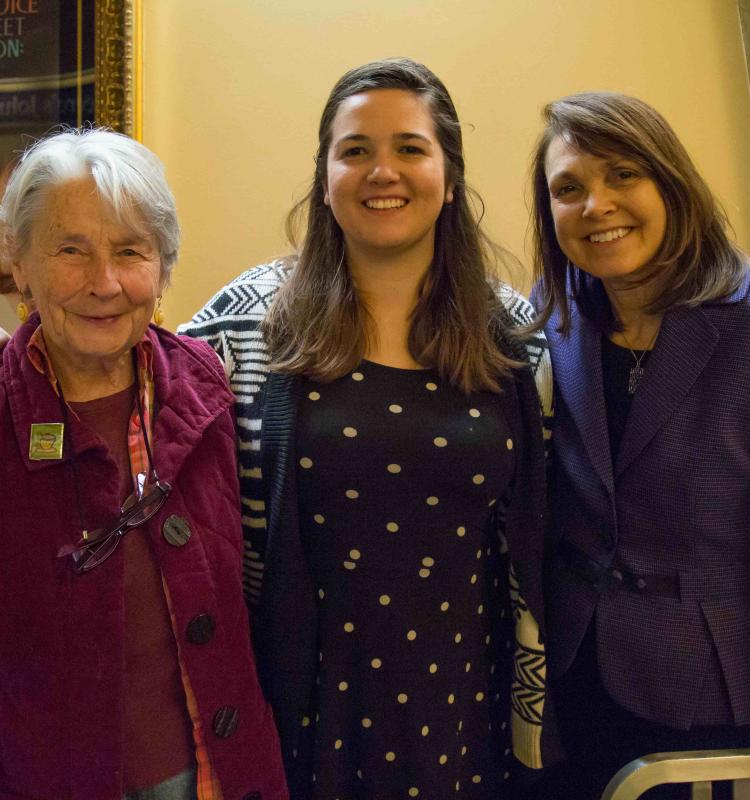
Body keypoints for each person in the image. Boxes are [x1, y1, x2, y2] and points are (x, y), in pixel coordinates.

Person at [180, 57, 555, 799]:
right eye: (356, 150)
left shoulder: (515, 335)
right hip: (299, 702)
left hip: (468, 703)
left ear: (449, 176)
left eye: (410, 148)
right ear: (325, 179)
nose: (383, 170)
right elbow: (144, 415)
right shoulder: (242, 324)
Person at [0, 129, 288, 800]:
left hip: (218, 769)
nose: (104, 283)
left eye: (130, 251)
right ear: (22, 265)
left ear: (161, 265)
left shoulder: (207, 385)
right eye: (71, 250)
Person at [529, 91, 750, 799]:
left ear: (670, 182)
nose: (597, 204)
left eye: (622, 174)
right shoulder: (550, 319)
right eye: (569, 189)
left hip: (717, 690)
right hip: (572, 678)